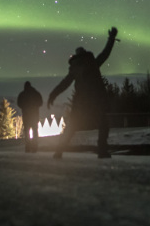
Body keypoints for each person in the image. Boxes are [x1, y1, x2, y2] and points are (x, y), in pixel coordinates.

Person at [47, 27, 118, 159]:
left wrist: (53, 94)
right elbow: (105, 53)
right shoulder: (93, 63)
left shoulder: (75, 68)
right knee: (103, 123)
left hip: (80, 102)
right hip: (96, 100)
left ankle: (59, 151)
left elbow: (65, 83)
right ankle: (102, 150)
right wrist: (111, 38)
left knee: (72, 127)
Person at [17, 81, 43, 153]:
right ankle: (35, 147)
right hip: (34, 115)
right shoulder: (36, 93)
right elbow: (40, 102)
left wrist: (24, 107)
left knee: (27, 132)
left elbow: (19, 103)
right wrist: (35, 107)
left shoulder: (22, 94)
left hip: (26, 115)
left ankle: (28, 147)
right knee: (35, 131)